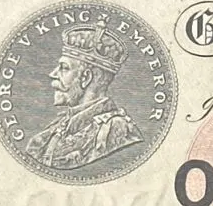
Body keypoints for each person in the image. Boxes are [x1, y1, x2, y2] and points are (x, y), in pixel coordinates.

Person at [25, 25, 142, 169]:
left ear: (85, 78)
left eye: (64, 68)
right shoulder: (59, 124)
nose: (53, 74)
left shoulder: (117, 128)